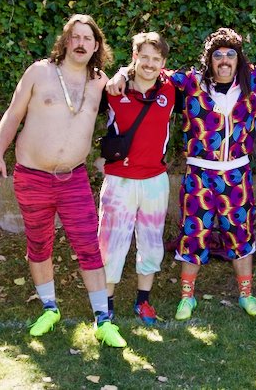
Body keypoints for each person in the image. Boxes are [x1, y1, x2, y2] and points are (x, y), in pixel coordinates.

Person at [107, 27, 256, 320]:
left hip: (236, 175)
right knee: (193, 235)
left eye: (230, 54)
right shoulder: (192, 82)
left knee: (241, 235)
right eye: (217, 55)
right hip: (200, 175)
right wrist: (122, 72)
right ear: (209, 59)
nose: (224, 60)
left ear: (238, 59)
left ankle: (246, 294)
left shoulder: (252, 79)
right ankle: (187, 298)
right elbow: (153, 69)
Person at [0, 14, 126, 348]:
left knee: (88, 245)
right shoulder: (40, 72)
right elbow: (13, 114)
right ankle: (49, 309)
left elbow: (134, 83)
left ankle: (103, 321)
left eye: (88, 38)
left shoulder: (99, 81)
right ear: (65, 41)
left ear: (96, 45)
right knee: (38, 244)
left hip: (73, 178)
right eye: (75, 36)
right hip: (32, 176)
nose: (80, 43)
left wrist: (122, 73)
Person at [98, 32, 179, 326]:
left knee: (151, 243)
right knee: (111, 243)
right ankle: (105, 305)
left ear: (163, 62)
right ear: (134, 57)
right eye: (144, 57)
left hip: (155, 180)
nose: (149, 64)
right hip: (119, 180)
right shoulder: (113, 90)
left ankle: (143, 301)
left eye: (156, 59)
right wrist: (120, 74)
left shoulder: (170, 88)